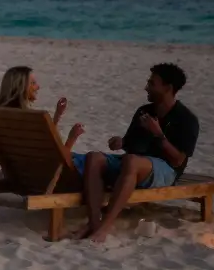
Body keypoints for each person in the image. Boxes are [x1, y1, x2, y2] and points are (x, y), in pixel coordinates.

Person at [74, 63, 199, 243]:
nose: (146, 87)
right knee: (94, 158)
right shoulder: (144, 111)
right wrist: (121, 142)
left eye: (152, 83)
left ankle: (105, 227)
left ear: (168, 88)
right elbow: (133, 146)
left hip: (166, 170)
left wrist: (158, 134)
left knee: (132, 161)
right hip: (136, 163)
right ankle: (94, 223)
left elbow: (178, 160)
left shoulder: (186, 119)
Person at [0, 66, 83, 151]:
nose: (38, 87)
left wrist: (57, 116)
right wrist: (72, 137)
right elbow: (57, 155)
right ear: (21, 88)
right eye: (33, 83)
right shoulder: (30, 119)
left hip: (17, 161)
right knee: (94, 158)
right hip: (39, 164)